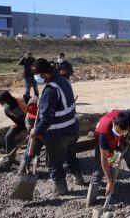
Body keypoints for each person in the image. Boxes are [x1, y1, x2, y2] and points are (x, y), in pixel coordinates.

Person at [30, 58, 84, 196]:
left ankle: (60, 189)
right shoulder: (63, 80)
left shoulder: (50, 90)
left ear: (45, 74)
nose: (37, 78)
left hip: (58, 133)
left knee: (54, 164)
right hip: (73, 129)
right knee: (70, 157)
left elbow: (47, 119)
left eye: (38, 75)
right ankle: (79, 179)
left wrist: (36, 131)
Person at [86, 110, 130, 207]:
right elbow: (104, 158)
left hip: (118, 142)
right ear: (114, 123)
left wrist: (125, 139)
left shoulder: (127, 117)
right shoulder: (103, 133)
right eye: (118, 131)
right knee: (99, 171)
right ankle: (90, 201)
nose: (119, 133)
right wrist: (109, 182)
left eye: (122, 132)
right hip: (104, 144)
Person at [0, 90, 27, 167]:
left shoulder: (22, 100)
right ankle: (11, 159)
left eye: (1, 102)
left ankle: (36, 156)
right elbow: (17, 122)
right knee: (8, 137)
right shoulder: (7, 110)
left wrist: (31, 128)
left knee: (35, 138)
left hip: (33, 120)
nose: (1, 104)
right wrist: (27, 128)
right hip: (21, 123)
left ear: (7, 99)